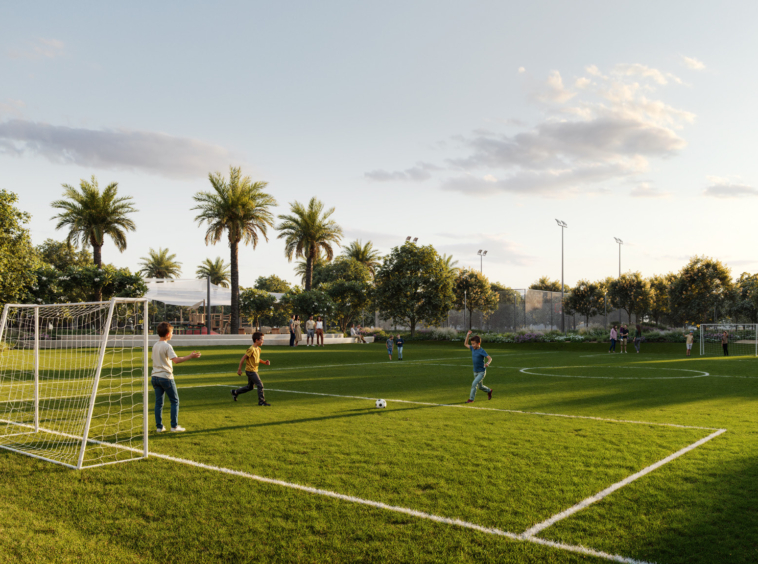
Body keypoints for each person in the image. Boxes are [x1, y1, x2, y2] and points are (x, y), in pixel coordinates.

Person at [151, 321, 201, 433]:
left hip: (155, 377)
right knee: (175, 401)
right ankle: (174, 427)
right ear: (168, 334)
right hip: (166, 377)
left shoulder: (155, 345)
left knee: (158, 403)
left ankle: (159, 427)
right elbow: (176, 360)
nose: (173, 334)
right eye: (172, 332)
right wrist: (190, 356)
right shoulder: (167, 346)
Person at [232, 331, 271, 406]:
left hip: (254, 370)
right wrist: (239, 369)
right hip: (251, 371)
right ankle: (261, 401)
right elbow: (243, 359)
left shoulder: (258, 349)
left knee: (250, 387)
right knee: (260, 385)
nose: (263, 341)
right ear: (256, 340)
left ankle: (235, 392)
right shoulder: (251, 349)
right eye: (261, 339)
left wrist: (264, 362)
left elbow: (257, 359)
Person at [464, 330, 492, 403]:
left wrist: (487, 363)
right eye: (472, 344)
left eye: (474, 344)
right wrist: (468, 335)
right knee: (480, 387)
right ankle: (489, 390)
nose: (472, 345)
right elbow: (465, 344)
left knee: (474, 384)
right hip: (475, 371)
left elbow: (489, 358)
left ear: (478, 343)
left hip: (481, 372)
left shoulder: (482, 351)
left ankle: (471, 399)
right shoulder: (472, 348)